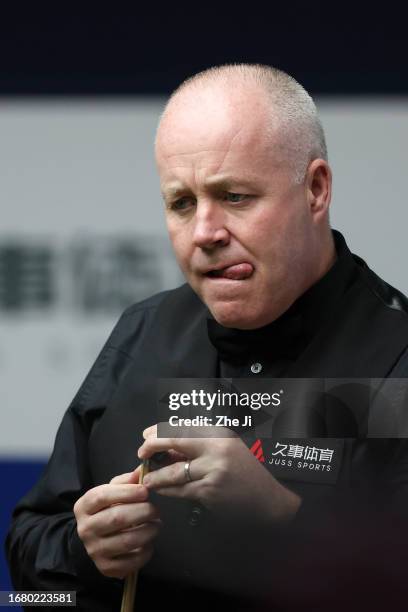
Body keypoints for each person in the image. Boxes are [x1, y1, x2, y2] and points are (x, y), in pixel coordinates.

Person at [6, 64, 408, 611]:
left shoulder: (395, 355)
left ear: (315, 189)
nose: (205, 233)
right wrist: (82, 553)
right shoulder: (143, 331)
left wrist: (280, 517)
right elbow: (31, 572)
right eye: (182, 203)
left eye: (236, 196)